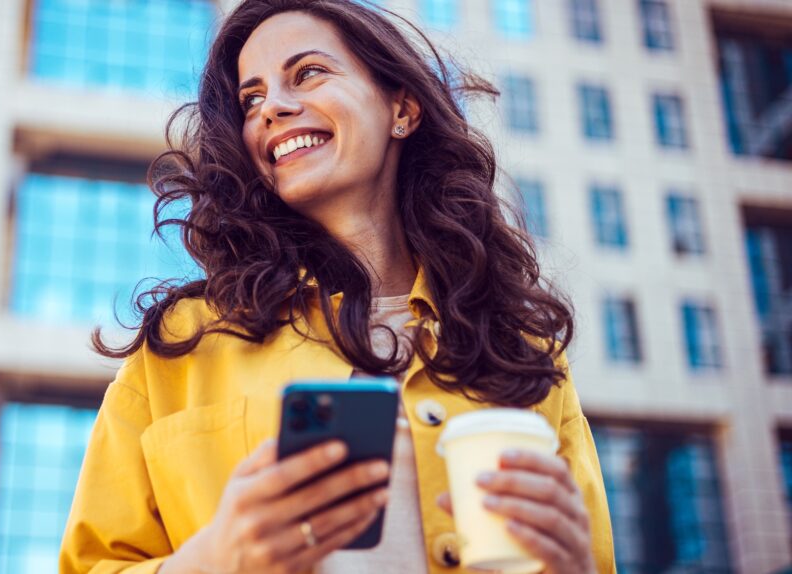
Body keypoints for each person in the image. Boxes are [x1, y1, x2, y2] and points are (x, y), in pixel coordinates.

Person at [60, 0, 615, 572]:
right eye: (252, 99)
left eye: (308, 73)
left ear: (402, 108)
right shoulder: (180, 347)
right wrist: (214, 560)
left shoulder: (521, 348)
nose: (271, 107)